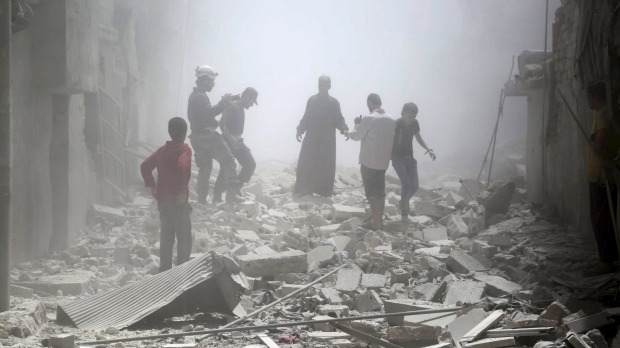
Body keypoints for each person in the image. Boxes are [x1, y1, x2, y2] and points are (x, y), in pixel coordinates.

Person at [140, 117, 193, 272]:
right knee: (184, 239)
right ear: (185, 133)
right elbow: (183, 165)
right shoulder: (184, 149)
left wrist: (152, 186)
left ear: (170, 132)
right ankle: (181, 274)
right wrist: (183, 191)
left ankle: (164, 273)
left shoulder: (162, 151)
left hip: (163, 201)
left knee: (166, 238)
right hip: (177, 201)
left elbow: (144, 166)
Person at [187, 65, 243, 204]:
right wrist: (224, 102)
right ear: (204, 80)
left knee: (205, 169)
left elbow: (204, 115)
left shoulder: (196, 96)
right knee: (229, 160)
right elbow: (209, 112)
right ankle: (231, 194)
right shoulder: (200, 97)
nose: (213, 84)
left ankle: (201, 200)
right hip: (207, 136)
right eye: (211, 81)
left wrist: (225, 102)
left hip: (197, 137)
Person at [585, 80, 620, 275]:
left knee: (604, 219)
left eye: (588, 97)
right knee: (599, 218)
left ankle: (607, 262)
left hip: (603, 177)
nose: (587, 100)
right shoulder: (600, 114)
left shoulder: (605, 113)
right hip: (597, 176)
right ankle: (604, 259)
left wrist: (594, 142)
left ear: (593, 96)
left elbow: (599, 143)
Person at [294, 75, 349, 197]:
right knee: (306, 163)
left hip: (327, 141)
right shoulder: (312, 100)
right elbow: (306, 117)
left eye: (325, 84)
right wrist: (300, 130)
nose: (322, 87)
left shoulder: (334, 103)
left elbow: (339, 119)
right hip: (311, 139)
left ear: (329, 86)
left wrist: (344, 129)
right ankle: (304, 189)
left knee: (325, 166)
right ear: (318, 85)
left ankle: (323, 192)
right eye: (321, 84)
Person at [347, 93, 395, 230]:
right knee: (380, 192)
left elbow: (356, 136)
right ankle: (379, 221)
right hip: (383, 163)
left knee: (372, 193)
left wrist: (356, 124)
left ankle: (376, 224)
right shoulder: (390, 119)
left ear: (370, 103)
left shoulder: (369, 118)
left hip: (368, 161)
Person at [212, 87, 259, 202]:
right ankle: (217, 196)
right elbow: (222, 124)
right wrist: (232, 139)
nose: (252, 105)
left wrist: (236, 141)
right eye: (252, 101)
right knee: (226, 169)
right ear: (247, 97)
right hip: (228, 141)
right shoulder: (234, 106)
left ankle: (234, 190)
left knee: (250, 164)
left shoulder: (240, 107)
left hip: (237, 141)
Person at [392, 102, 436, 222]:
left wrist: (428, 149)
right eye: (410, 116)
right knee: (406, 184)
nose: (412, 119)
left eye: (414, 116)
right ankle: (404, 213)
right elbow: (387, 140)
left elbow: (418, 137)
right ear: (403, 113)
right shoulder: (396, 124)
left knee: (415, 186)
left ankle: (403, 202)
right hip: (397, 158)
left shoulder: (414, 124)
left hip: (410, 158)